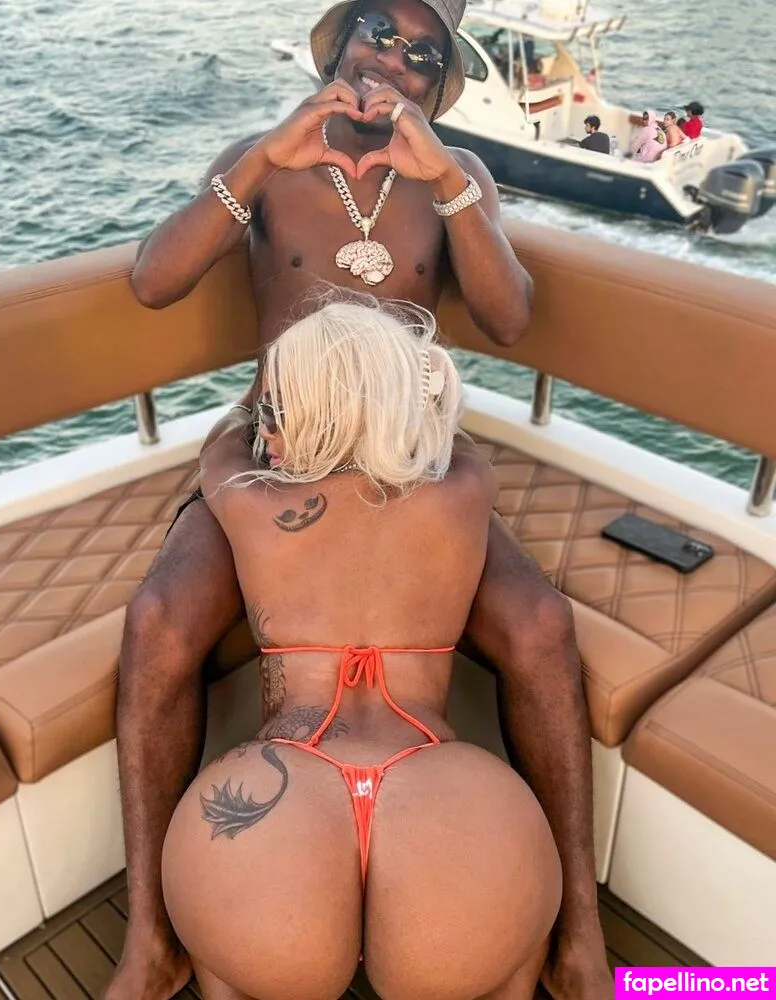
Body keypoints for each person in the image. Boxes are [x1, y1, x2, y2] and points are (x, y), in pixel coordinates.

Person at [109, 1, 613, 999]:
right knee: (158, 622)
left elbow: (509, 319)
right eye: (381, 32)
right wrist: (264, 158)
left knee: (542, 627)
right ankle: (152, 937)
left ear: (439, 84)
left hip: (409, 456)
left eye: (424, 54)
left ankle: (580, 935)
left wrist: (449, 185)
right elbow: (153, 281)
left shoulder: (458, 177)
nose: (396, 60)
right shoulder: (261, 162)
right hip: (280, 450)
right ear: (338, 43)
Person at [161, 294, 564, 1000]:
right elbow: (447, 425)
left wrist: (254, 405)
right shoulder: (466, 490)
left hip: (282, 782)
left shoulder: (250, 498)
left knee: (227, 956)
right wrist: (405, 382)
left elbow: (220, 442)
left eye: (277, 411)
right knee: (511, 951)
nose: (268, 430)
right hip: (438, 773)